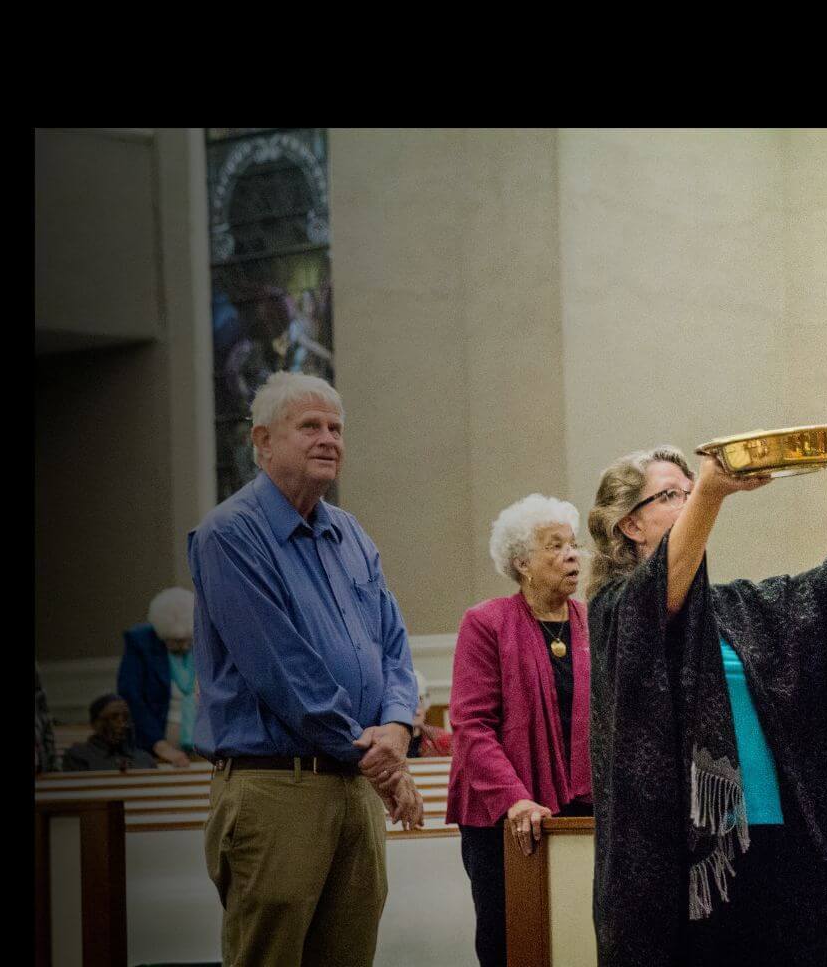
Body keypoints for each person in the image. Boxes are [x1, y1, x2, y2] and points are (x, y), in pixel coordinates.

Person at [586, 444, 827, 966]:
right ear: (629, 526)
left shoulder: (732, 607)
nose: (688, 504)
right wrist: (711, 490)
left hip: (781, 837)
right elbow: (657, 595)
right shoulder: (615, 612)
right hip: (690, 860)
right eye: (671, 496)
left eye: (690, 493)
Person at [189, 370, 423, 967]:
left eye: (337, 428)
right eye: (310, 426)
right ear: (262, 442)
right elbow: (284, 672)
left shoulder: (350, 533)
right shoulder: (231, 534)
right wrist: (384, 764)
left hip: (352, 785)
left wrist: (396, 730)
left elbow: (394, 646)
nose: (329, 439)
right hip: (276, 787)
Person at [446, 493, 593, 967]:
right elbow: (472, 724)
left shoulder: (593, 623)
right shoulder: (486, 622)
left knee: (579, 935)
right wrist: (514, 797)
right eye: (555, 546)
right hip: (504, 817)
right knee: (513, 942)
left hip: (582, 812)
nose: (572, 555)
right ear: (522, 563)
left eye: (573, 545)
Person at [117, 587, 202, 767]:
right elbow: (131, 696)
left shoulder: (203, 639)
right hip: (156, 748)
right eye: (177, 641)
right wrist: (160, 745)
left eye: (189, 640)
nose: (185, 647)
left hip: (205, 746)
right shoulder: (140, 642)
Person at [63, 694, 159, 772]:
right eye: (113, 718)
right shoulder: (78, 756)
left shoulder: (144, 758)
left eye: (126, 718)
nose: (122, 725)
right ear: (95, 724)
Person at [407, 670, 453, 758]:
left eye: (420, 701)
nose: (416, 711)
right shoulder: (386, 743)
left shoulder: (442, 740)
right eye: (409, 704)